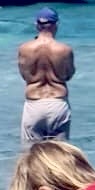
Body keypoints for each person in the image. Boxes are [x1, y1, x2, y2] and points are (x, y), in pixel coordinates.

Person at [18, 8, 74, 144]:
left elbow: (25, 76)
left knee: (31, 155)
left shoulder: (24, 49)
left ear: (37, 25)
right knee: (60, 154)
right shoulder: (65, 50)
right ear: (56, 25)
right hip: (57, 103)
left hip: (34, 103)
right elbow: (68, 75)